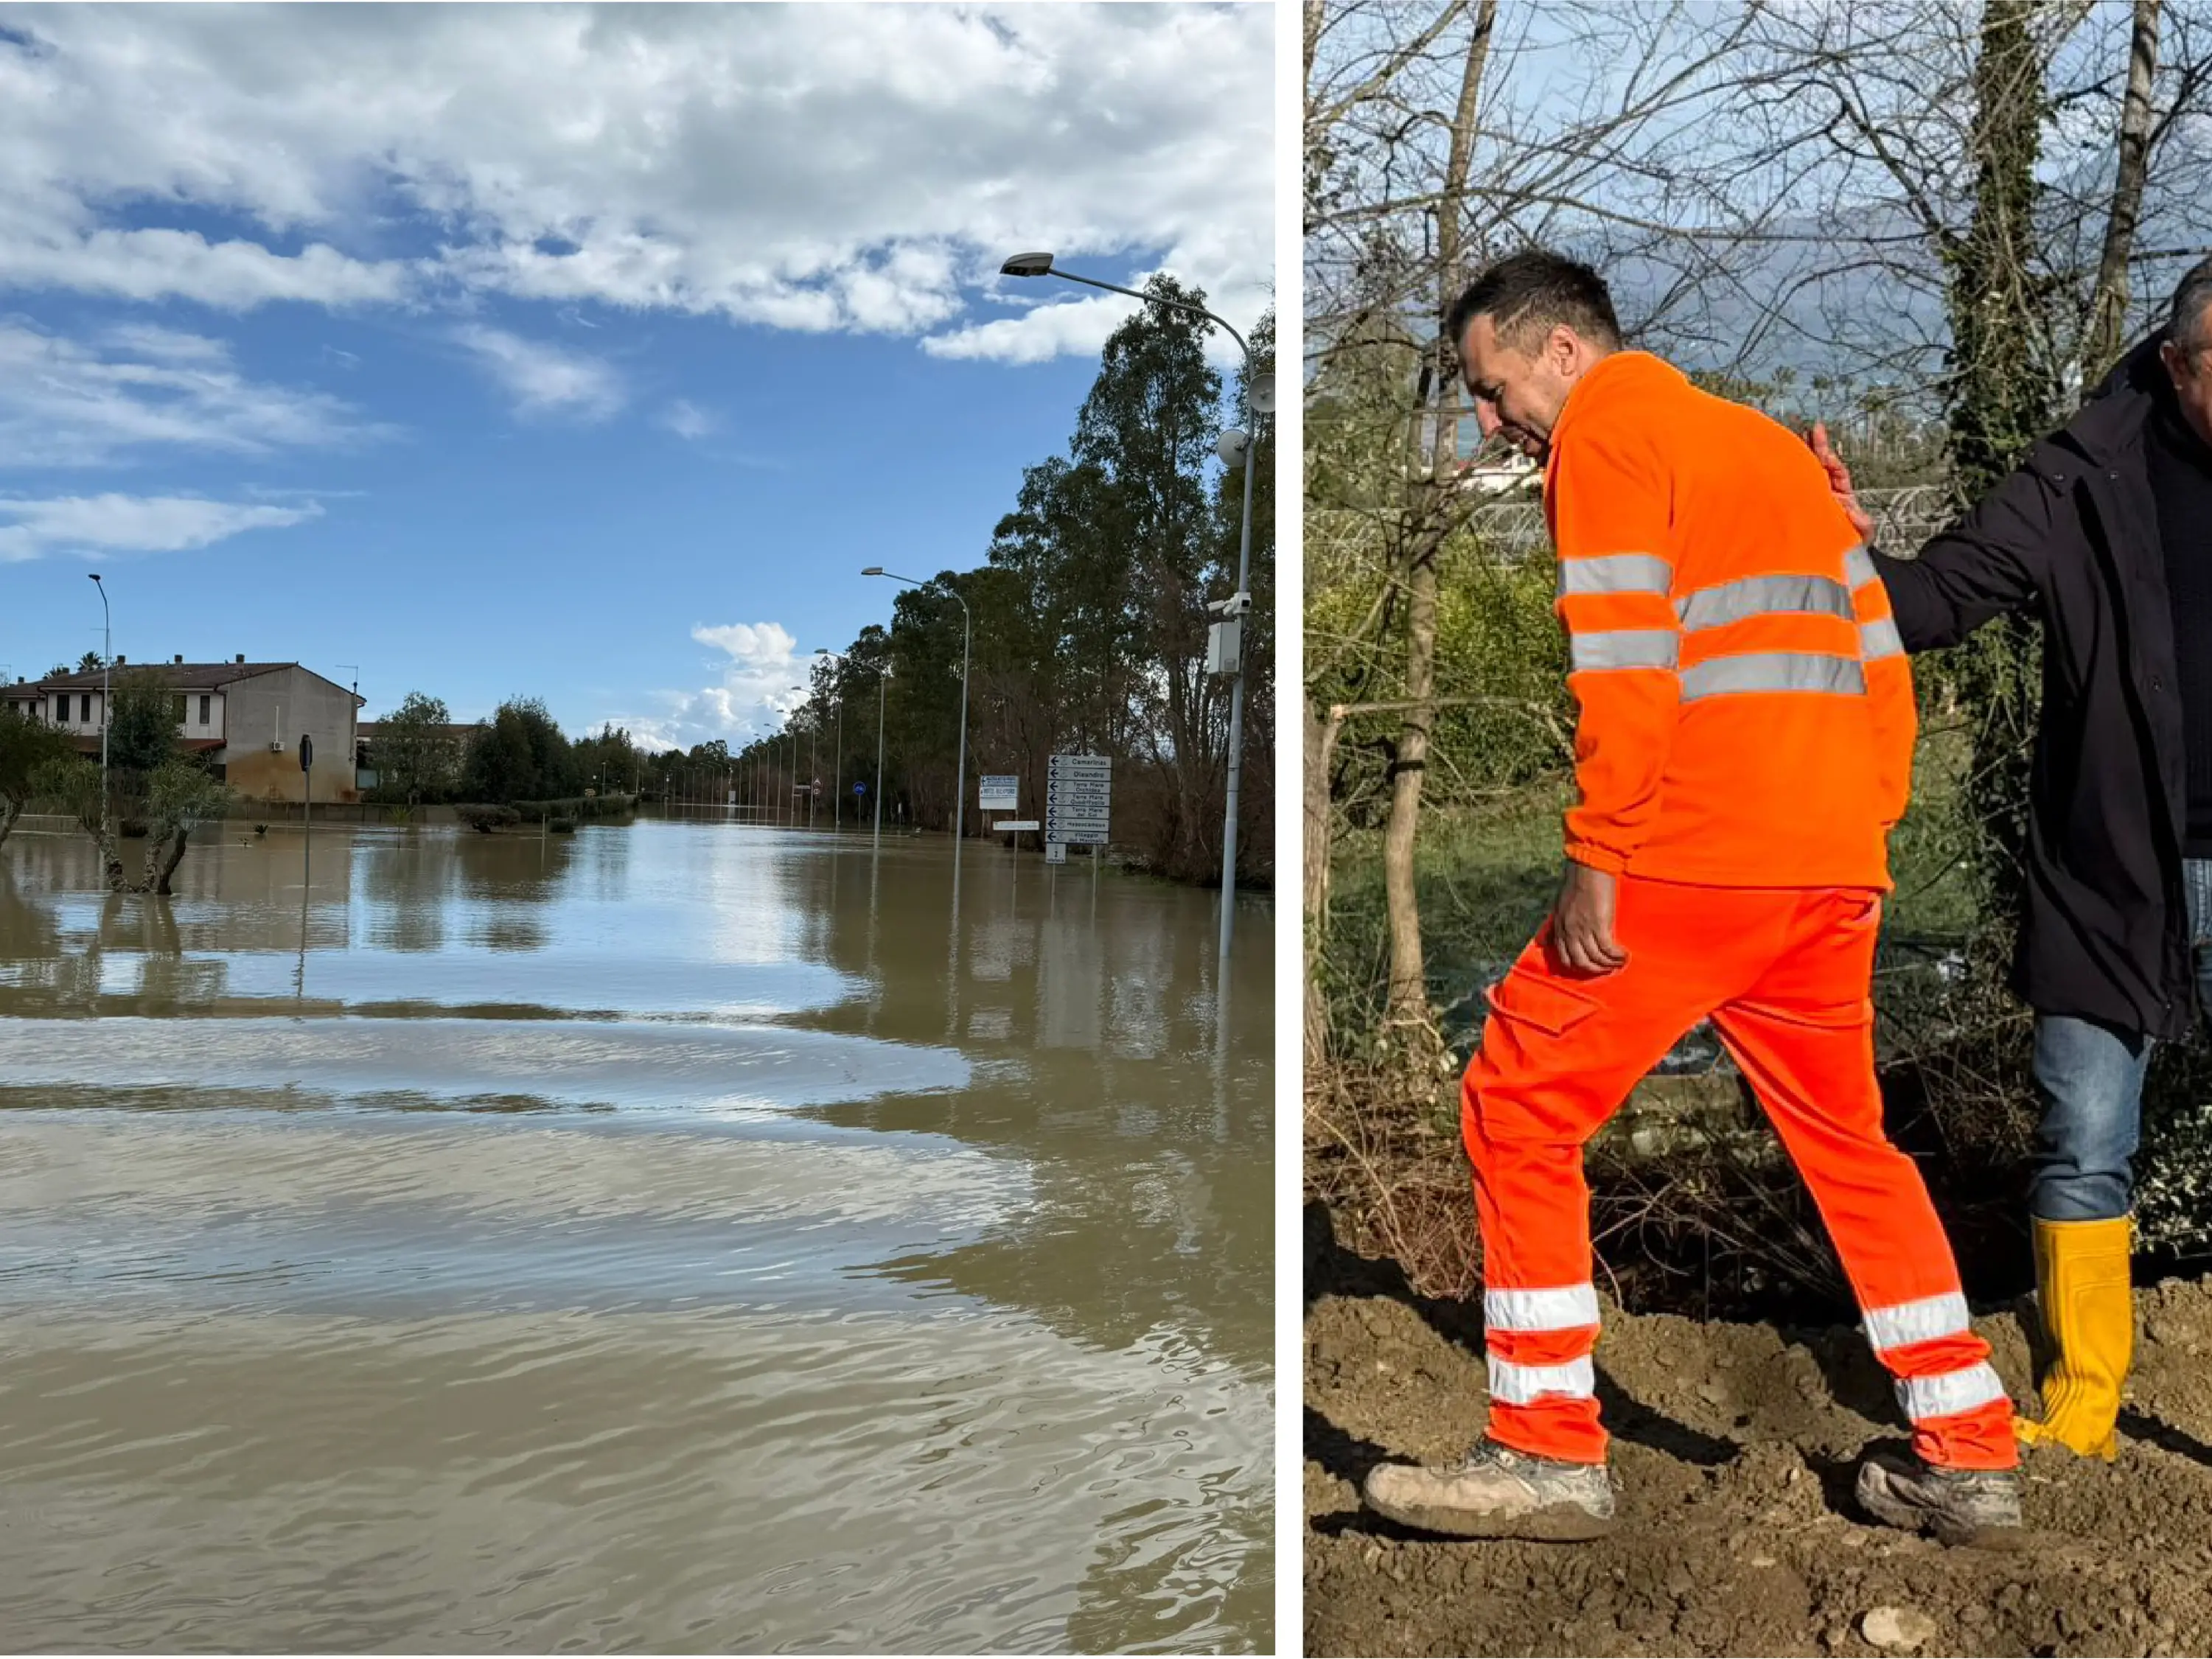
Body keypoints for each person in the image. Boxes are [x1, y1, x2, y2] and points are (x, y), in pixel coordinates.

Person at [1359, 249, 2020, 1547]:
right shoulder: (1774, 452)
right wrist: (1863, 812)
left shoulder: (1607, 438)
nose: (1489, 422)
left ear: (1564, 351)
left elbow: (1626, 667)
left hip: (1692, 856)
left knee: (1515, 1101)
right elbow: (1879, 651)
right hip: (1828, 862)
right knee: (1852, 1148)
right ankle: (1970, 1452)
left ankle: (1547, 1450)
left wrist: (1599, 853)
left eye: (1493, 389)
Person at [1806, 255, 2212, 1464]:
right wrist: (1838, 548)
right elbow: (1932, 602)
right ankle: (2083, 1404)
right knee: (2084, 1137)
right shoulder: (2082, 476)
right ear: (2176, 364)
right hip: (2110, 869)